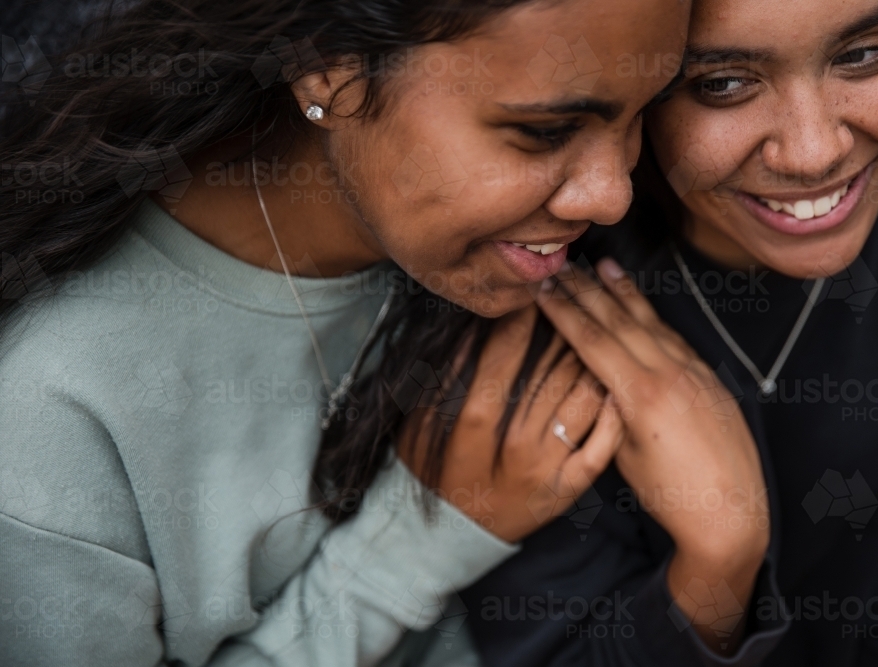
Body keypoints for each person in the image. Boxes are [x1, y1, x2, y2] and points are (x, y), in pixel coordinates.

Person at [0, 0, 690, 664]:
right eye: (545, 131)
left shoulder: (531, 263)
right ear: (331, 70)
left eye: (646, 108)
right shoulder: (49, 417)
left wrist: (724, 558)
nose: (611, 194)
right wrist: (424, 538)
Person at [456, 0, 878, 665]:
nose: (813, 151)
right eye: (722, 84)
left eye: (863, 55)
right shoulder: (532, 274)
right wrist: (721, 555)